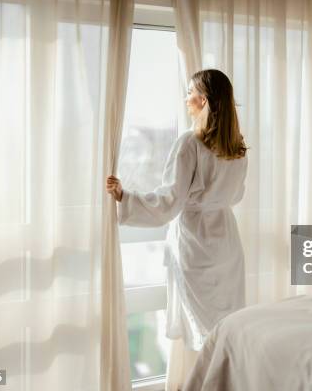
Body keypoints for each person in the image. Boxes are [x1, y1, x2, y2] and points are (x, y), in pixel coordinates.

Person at [106, 69, 248, 389]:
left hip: (196, 243)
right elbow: (236, 195)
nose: (186, 100)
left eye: (190, 93)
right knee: (224, 331)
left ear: (204, 100)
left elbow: (170, 202)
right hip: (227, 242)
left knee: (205, 335)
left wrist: (125, 197)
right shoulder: (236, 147)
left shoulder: (189, 143)